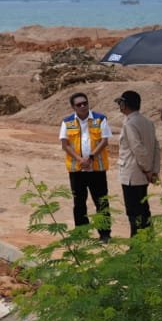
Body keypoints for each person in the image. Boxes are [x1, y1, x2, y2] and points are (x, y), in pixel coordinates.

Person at [59, 91, 112, 240]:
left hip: (97, 169)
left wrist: (91, 157)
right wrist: (80, 160)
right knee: (79, 203)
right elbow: (65, 144)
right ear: (73, 107)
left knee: (101, 202)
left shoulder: (100, 118)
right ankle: (82, 233)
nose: (83, 106)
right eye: (79, 104)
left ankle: (105, 234)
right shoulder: (67, 121)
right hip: (77, 169)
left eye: (85, 103)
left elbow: (104, 140)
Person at [114, 90, 160, 236]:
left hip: (133, 174)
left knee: (134, 212)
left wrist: (147, 169)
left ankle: (137, 246)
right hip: (144, 174)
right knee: (143, 209)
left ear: (125, 104)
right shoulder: (148, 122)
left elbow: (138, 149)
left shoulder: (130, 124)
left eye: (121, 103)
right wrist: (153, 170)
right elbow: (156, 148)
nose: (120, 106)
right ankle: (148, 241)